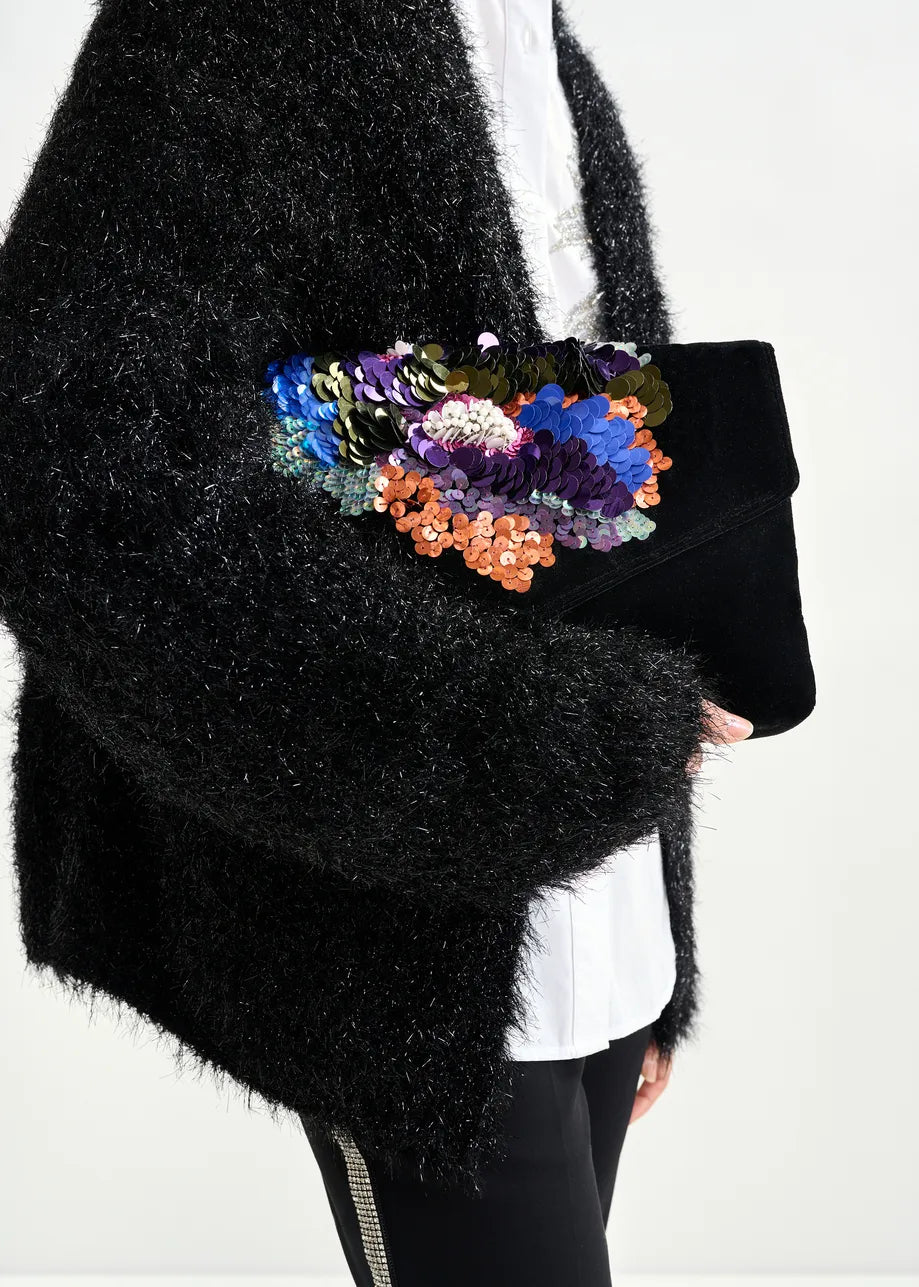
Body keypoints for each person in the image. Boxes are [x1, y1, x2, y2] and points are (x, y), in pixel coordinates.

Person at [0, 3, 750, 1285]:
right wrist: (529, 757)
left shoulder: (544, 50)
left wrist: (648, 930)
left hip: (599, 932)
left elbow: (583, 487)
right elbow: (74, 477)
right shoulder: (237, 33)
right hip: (399, 946)